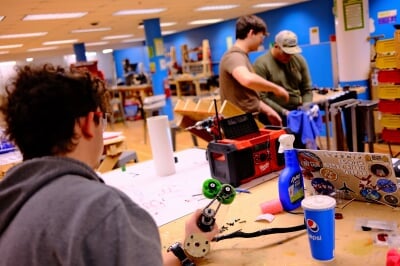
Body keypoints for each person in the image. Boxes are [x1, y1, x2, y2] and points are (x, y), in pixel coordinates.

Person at [0, 64, 218, 266]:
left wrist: (188, 249)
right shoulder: (98, 210)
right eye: (101, 121)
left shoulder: (13, 204)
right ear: (86, 125)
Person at [219, 15, 289, 127]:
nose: (261, 42)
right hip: (239, 125)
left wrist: (268, 110)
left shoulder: (242, 57)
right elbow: (247, 79)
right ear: (251, 33)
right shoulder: (234, 56)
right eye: (261, 37)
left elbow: (247, 97)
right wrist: (276, 89)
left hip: (247, 121)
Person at [253, 30, 313, 125]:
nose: (289, 56)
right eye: (286, 53)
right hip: (272, 115)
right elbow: (261, 97)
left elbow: (307, 89)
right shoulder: (261, 64)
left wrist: (306, 107)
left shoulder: (299, 60)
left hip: (295, 112)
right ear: (276, 46)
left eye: (292, 53)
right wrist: (284, 112)